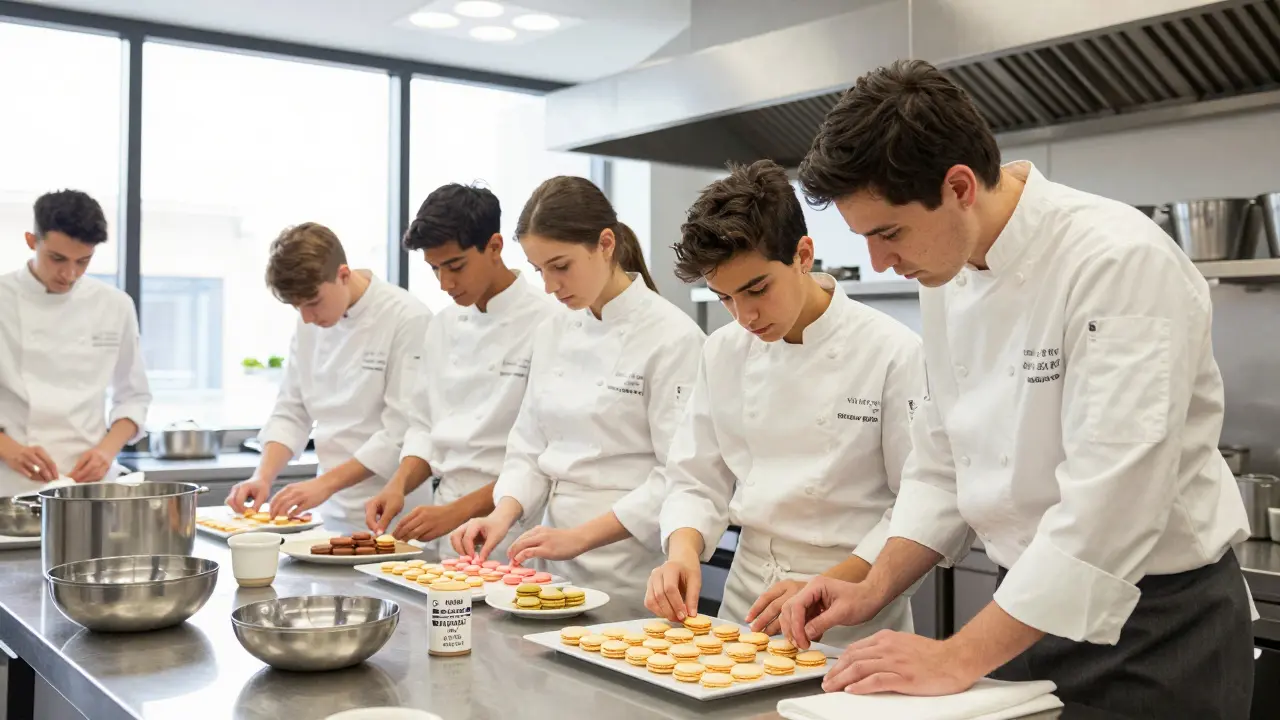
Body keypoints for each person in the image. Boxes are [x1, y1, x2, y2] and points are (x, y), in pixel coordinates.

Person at [779, 59, 1254, 719]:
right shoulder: (947, 271)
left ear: (959, 186)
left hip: (1154, 632)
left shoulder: (1117, 263)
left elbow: (1110, 508)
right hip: (1023, 620)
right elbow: (942, 463)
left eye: (888, 233)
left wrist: (956, 656)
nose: (881, 263)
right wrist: (870, 582)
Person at [636, 160, 923, 646]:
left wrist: (838, 579)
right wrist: (682, 551)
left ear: (803, 254)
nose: (744, 315)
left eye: (757, 289)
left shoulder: (892, 352)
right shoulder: (722, 350)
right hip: (746, 605)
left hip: (850, 610)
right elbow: (695, 477)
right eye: (724, 297)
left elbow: (915, 502)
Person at [449, 176, 705, 600]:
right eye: (539, 271)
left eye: (560, 266)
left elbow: (678, 476)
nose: (549, 286)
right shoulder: (553, 330)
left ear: (606, 244)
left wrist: (581, 537)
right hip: (548, 558)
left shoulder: (673, 337)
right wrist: (502, 515)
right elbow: (529, 447)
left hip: (628, 565)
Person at [363, 183, 558, 555]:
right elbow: (423, 425)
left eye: (455, 266)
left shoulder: (549, 321)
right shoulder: (443, 325)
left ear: (495, 247)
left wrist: (458, 512)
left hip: (516, 525)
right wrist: (398, 485)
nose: (444, 284)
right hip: (445, 521)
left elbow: (542, 454)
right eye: (434, 269)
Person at [226, 222, 433, 526]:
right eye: (298, 308)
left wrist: (323, 485)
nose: (307, 318)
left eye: (313, 304)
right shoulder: (309, 323)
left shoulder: (407, 318)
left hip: (394, 511)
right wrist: (263, 477)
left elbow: (399, 432)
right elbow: (292, 411)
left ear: (343, 275)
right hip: (328, 509)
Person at [0, 190, 151, 495]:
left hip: (90, 484)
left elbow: (134, 397)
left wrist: (106, 451)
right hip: (9, 483)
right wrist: (8, 448)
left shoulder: (114, 305)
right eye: (57, 258)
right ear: (32, 241)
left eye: (83, 261)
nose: (69, 274)